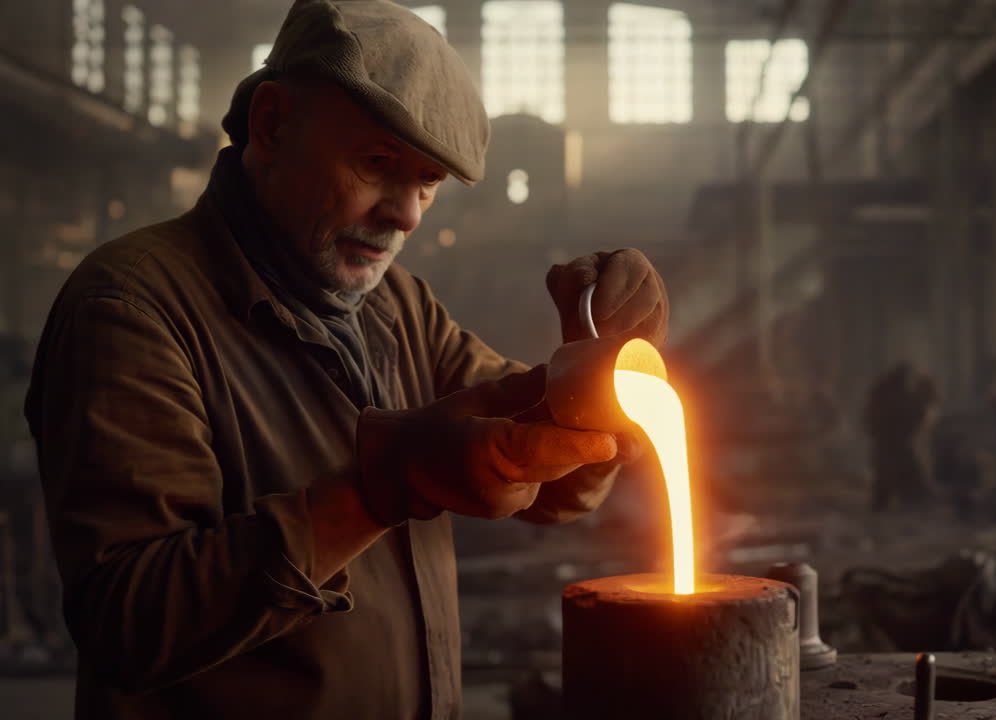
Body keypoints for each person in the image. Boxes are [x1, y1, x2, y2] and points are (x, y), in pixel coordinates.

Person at [24, 2, 668, 718]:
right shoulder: (132, 310)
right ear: (270, 127)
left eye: (426, 186)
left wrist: (597, 381)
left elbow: (545, 481)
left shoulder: (397, 307)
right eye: (377, 164)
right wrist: (379, 487)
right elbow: (130, 622)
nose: (408, 215)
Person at [863, 362, 941, 510]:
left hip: (891, 444)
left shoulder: (891, 392)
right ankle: (905, 498)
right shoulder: (893, 394)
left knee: (890, 474)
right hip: (891, 444)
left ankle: (899, 498)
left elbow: (913, 420)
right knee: (892, 474)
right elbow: (912, 418)